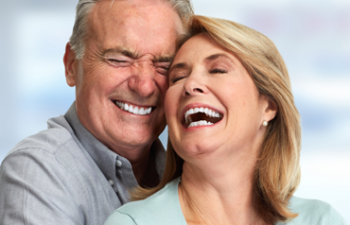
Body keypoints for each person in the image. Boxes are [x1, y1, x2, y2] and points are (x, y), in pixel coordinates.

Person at [104, 15, 347, 225]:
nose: (190, 85)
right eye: (177, 77)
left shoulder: (321, 220)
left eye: (217, 70)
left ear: (269, 106)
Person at [0, 0, 193, 224]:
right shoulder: (38, 171)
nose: (144, 86)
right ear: (71, 64)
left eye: (164, 66)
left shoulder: (184, 170)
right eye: (119, 59)